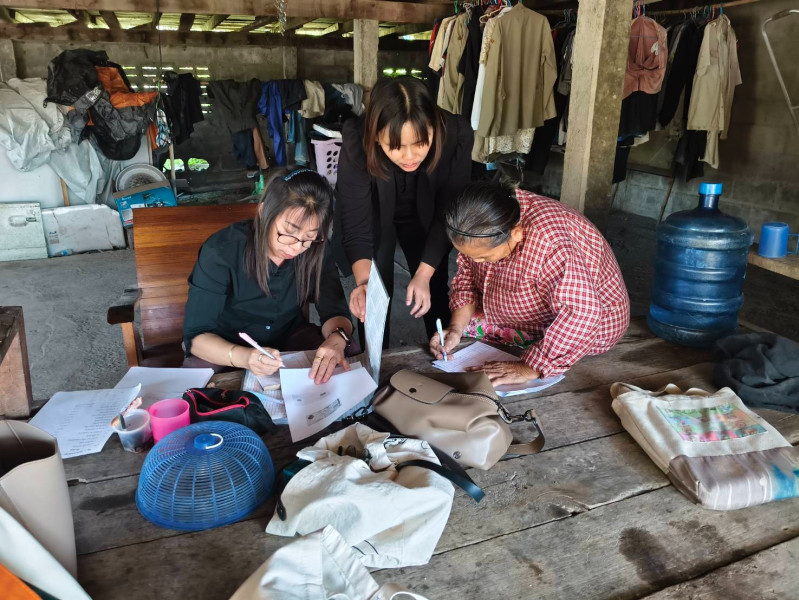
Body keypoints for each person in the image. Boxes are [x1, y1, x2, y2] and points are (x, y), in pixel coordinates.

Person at [430, 181, 630, 387]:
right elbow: (467, 278)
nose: (475, 261)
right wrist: (456, 328)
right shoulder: (481, 224)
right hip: (533, 310)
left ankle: (543, 356)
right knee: (464, 329)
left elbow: (582, 313)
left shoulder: (550, 241)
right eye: (469, 255)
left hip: (589, 323)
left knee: (557, 342)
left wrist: (529, 368)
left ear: (516, 233)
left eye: (484, 257)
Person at [182, 168, 355, 384]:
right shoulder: (221, 251)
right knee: (195, 380)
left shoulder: (316, 249)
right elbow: (196, 337)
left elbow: (335, 312)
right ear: (264, 212)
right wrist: (245, 357)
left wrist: (337, 340)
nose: (296, 247)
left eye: (309, 236)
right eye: (288, 232)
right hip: (227, 344)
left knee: (346, 355)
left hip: (289, 335)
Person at [335, 77, 473, 342]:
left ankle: (443, 350)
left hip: (430, 213)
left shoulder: (456, 134)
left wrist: (423, 274)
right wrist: (364, 284)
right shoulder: (358, 139)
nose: (410, 157)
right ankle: (375, 360)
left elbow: (448, 211)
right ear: (376, 136)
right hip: (374, 213)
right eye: (396, 147)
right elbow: (356, 224)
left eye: (421, 143)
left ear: (434, 127)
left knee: (433, 286)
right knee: (374, 293)